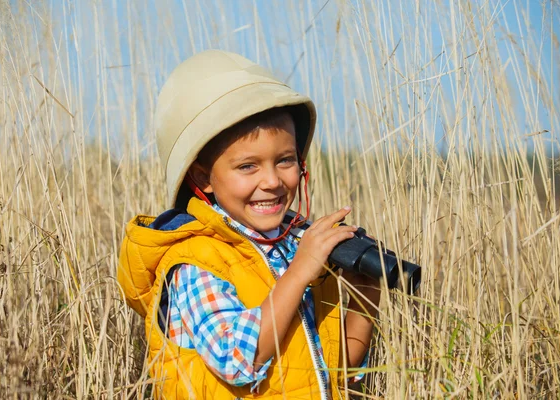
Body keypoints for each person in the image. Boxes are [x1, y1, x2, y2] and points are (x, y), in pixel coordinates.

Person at [117, 50, 380, 399]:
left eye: (285, 160)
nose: (272, 181)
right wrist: (299, 273)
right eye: (247, 167)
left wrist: (367, 296)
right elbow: (237, 361)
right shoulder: (197, 264)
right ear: (202, 177)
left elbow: (332, 374)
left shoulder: (290, 246)